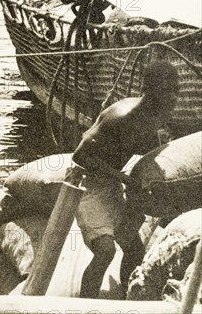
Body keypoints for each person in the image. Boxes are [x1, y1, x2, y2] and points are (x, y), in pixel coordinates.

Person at [72, 60, 179, 298]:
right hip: (86, 183)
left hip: (113, 182)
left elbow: (152, 149)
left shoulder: (155, 116)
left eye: (176, 90)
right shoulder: (121, 116)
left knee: (134, 249)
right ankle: (86, 307)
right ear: (151, 90)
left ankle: (126, 300)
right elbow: (79, 156)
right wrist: (123, 177)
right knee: (105, 252)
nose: (174, 97)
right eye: (169, 90)